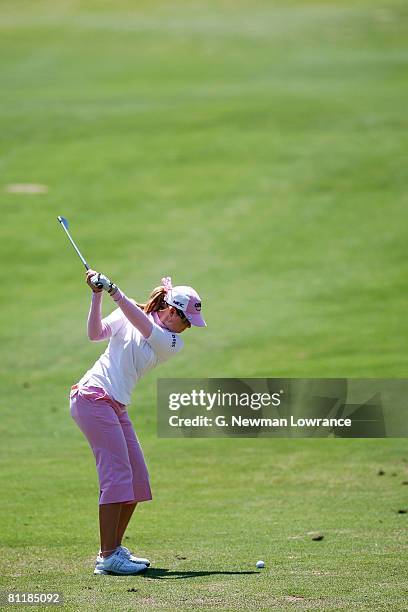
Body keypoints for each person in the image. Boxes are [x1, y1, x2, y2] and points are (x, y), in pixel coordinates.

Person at [70, 270, 206, 575]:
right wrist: (96, 296)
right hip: (92, 397)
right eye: (186, 321)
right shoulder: (131, 313)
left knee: (137, 481)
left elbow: (145, 326)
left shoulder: (171, 342)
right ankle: (107, 556)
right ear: (172, 311)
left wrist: (115, 292)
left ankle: (113, 551)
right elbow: (96, 334)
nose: (188, 328)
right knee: (117, 476)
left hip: (115, 405)